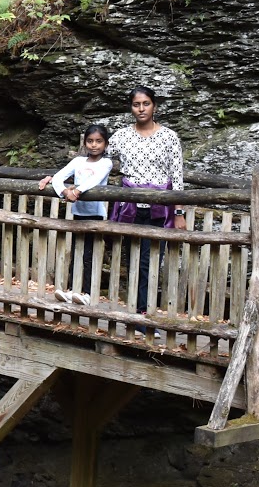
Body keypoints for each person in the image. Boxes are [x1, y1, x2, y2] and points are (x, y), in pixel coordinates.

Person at [106, 86, 186, 319]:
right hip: (130, 207)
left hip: (160, 209)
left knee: (149, 263)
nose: (141, 109)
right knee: (132, 261)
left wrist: (179, 212)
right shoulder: (121, 136)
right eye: (136, 104)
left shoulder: (169, 136)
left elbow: (177, 175)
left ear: (154, 106)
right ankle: (137, 312)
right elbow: (98, 157)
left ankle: (143, 313)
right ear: (131, 108)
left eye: (146, 104)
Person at [38, 124, 112, 305]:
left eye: (99, 141)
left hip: (95, 215)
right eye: (90, 141)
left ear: (106, 144)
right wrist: (65, 192)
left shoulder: (106, 163)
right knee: (76, 251)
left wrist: (76, 191)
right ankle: (72, 290)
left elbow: (94, 181)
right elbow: (58, 178)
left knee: (89, 254)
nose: (94, 145)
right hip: (78, 213)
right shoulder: (78, 162)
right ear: (85, 143)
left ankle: (87, 293)